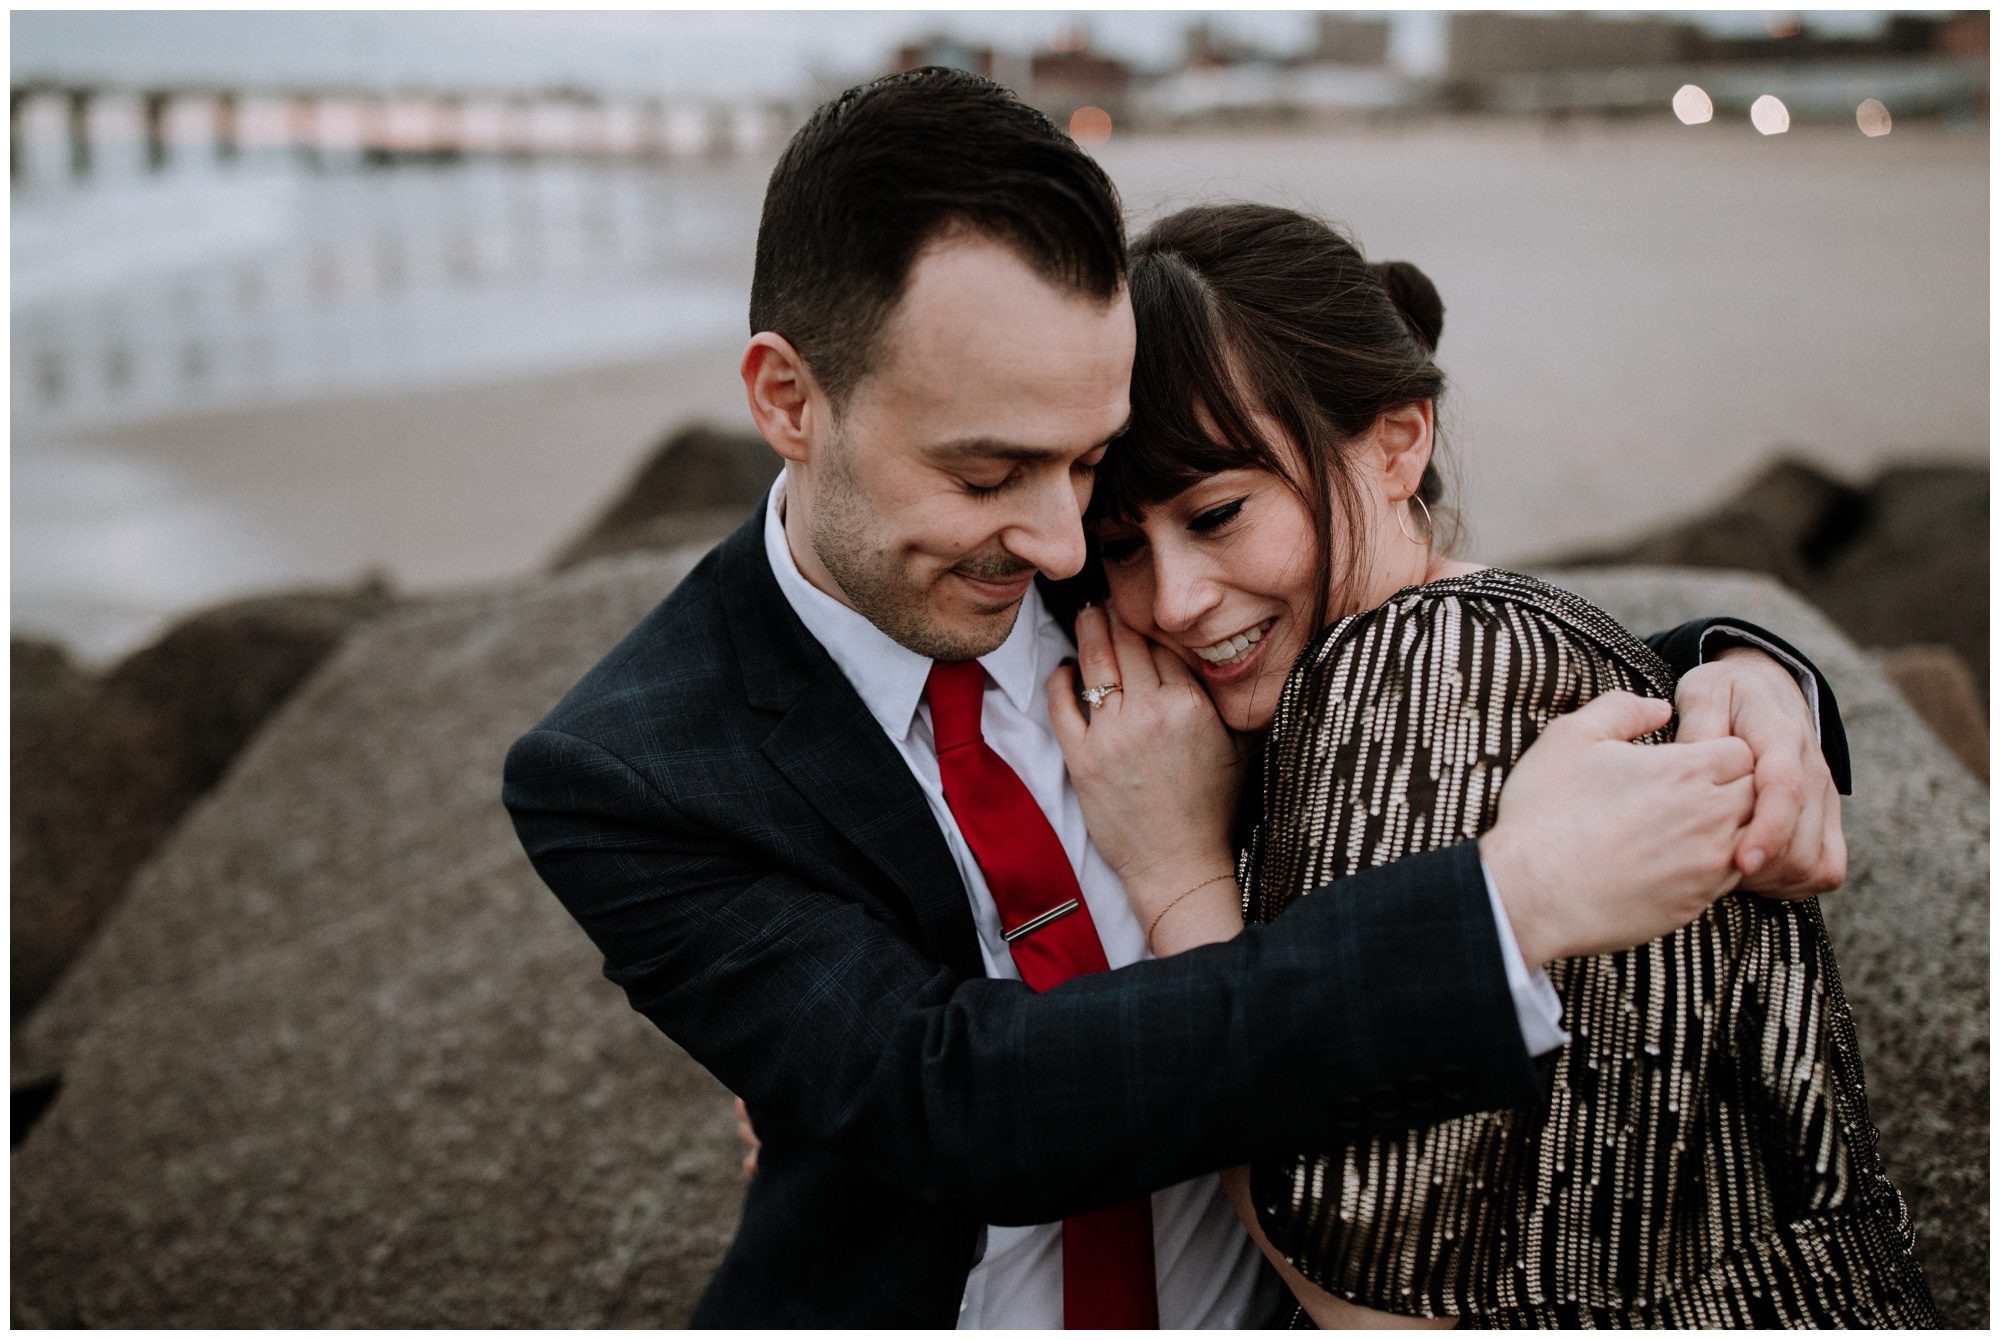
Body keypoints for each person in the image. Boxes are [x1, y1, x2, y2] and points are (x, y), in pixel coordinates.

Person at [501, 69, 1855, 1328]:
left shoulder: (1124, 574)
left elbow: (1407, 629)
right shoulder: (630, 774)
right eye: (986, 475)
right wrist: (1505, 908)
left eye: (1086, 462)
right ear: (789, 399)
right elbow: (965, 1100)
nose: (1057, 543)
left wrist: (1739, 673)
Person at [1059, 202, 1935, 1326]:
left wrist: (1176, 870)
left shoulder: (1414, 668)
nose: (1174, 599)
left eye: (1218, 514)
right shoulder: (1491, 644)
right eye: (1122, 547)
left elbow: (1355, 1287)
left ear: (1396, 442)